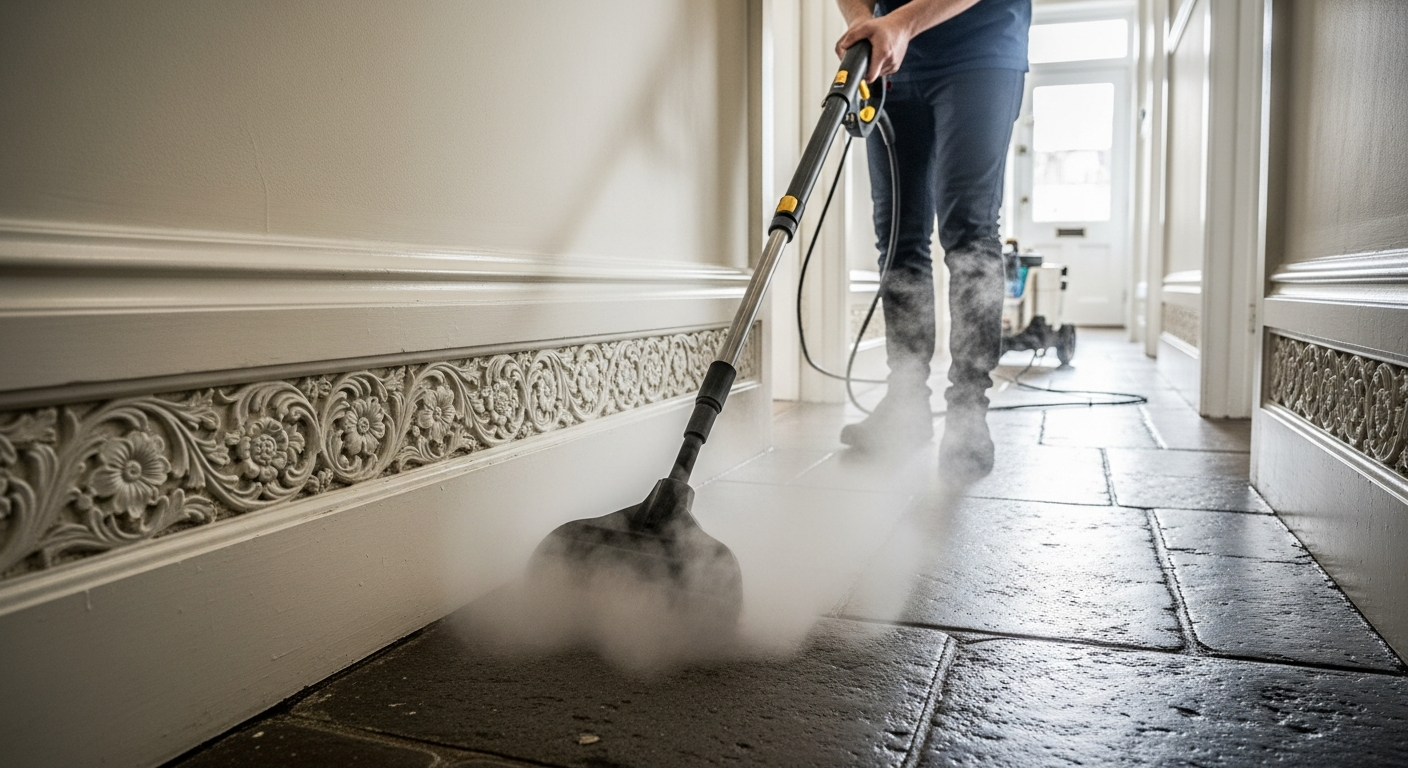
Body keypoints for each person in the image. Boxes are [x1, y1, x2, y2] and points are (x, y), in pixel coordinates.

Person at [834, 0, 1030, 480]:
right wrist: (862, 20)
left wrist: (902, 22)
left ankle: (967, 414)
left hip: (980, 52)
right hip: (891, 65)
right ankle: (906, 407)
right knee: (898, 238)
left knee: (969, 234)